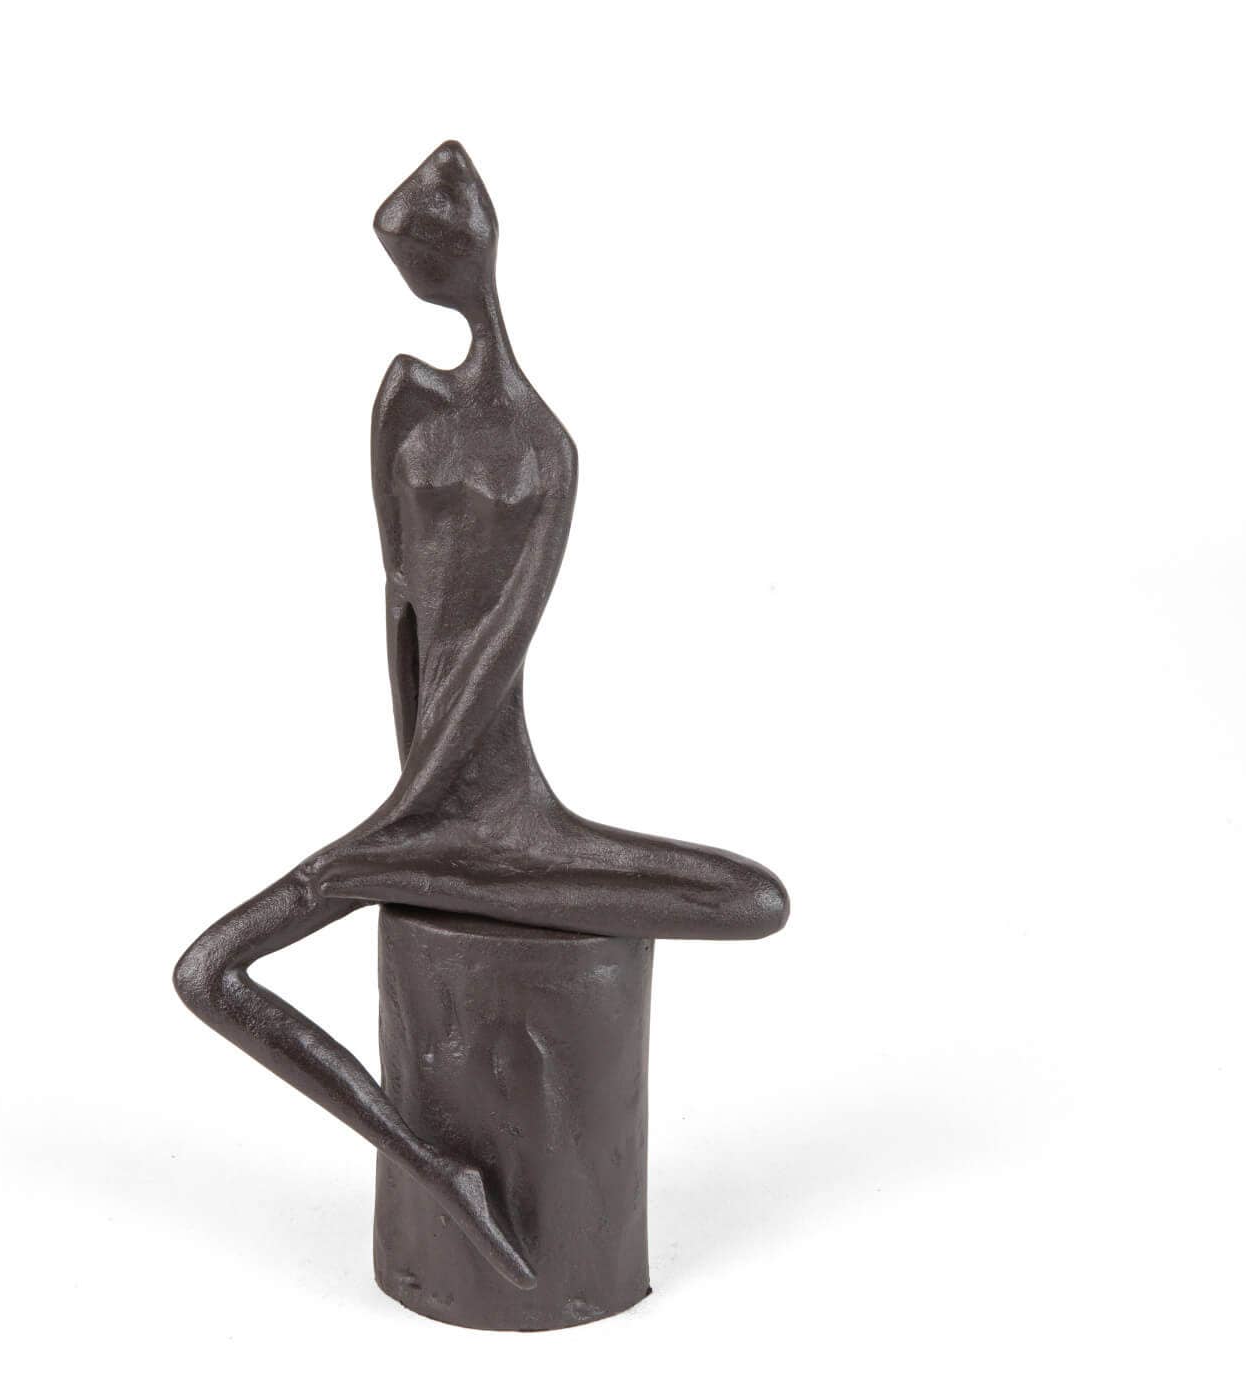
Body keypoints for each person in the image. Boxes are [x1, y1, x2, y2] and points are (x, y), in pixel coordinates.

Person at [174, 142, 788, 1288]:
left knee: (755, 899)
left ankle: (446, 1162)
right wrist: (403, 816)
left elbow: (486, 649)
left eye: (417, 253)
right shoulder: (406, 403)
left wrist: (406, 824)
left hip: (495, 808)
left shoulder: (546, 454)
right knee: (209, 972)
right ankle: (431, 1168)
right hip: (429, 809)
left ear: (468, 254)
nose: (412, 276)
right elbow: (400, 607)